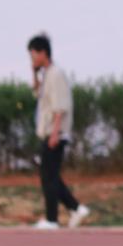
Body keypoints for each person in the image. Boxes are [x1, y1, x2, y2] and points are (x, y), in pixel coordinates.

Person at [28, 34, 89, 229]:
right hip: (49, 132)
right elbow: (37, 94)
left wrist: (55, 133)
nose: (32, 59)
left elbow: (60, 107)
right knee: (50, 176)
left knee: (49, 177)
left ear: (43, 53)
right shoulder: (46, 75)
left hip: (56, 133)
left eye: (33, 55)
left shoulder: (56, 74)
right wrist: (34, 74)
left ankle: (52, 219)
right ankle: (76, 208)